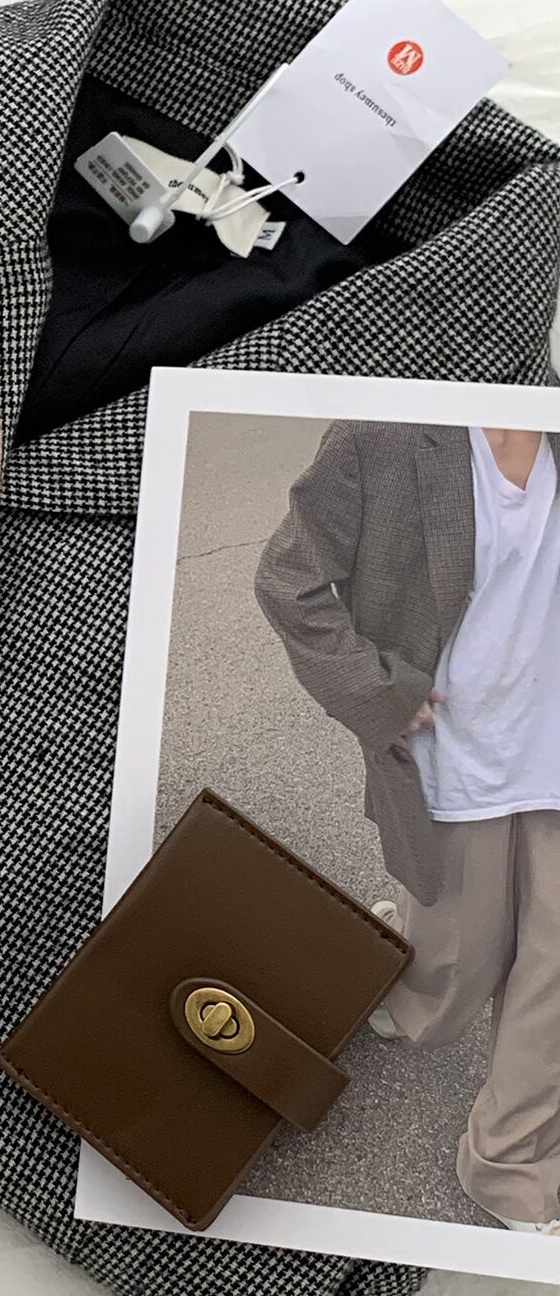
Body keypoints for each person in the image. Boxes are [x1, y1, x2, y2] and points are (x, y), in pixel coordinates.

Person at [256, 420, 560, 1235]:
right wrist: (374, 690)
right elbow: (289, 579)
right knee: (464, 952)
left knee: (553, 972)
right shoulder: (384, 432)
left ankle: (510, 1167)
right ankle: (407, 976)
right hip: (456, 749)